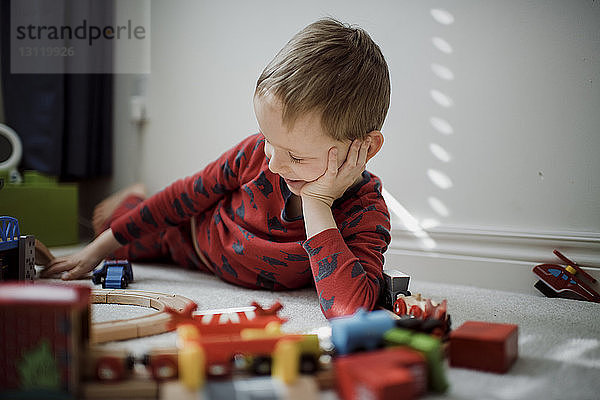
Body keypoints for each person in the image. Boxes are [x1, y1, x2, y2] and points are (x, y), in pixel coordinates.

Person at [40, 18, 391, 319]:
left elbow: (350, 311)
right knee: (109, 231)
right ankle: (134, 196)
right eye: (268, 139)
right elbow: (183, 195)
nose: (273, 162)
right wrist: (96, 248)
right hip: (186, 235)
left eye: (297, 158)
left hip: (212, 257)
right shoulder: (254, 156)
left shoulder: (365, 212)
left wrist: (318, 203)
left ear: (365, 148)